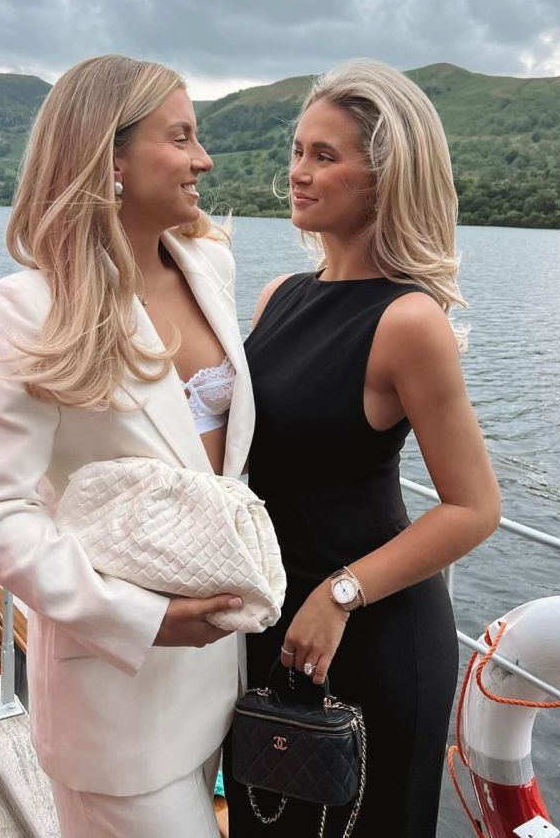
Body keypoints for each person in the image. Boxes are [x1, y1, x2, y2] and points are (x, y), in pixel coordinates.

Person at [0, 54, 255, 838]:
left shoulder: (211, 267)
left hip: (218, 681)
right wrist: (142, 617)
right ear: (109, 158)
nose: (204, 159)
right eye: (181, 137)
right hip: (114, 706)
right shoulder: (32, 306)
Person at [224, 59, 501, 836]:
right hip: (273, 619)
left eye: (324, 156)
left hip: (367, 628)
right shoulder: (279, 296)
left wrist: (339, 594)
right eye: (297, 151)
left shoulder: (408, 322)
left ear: (384, 179)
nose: (296, 173)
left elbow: (476, 508)